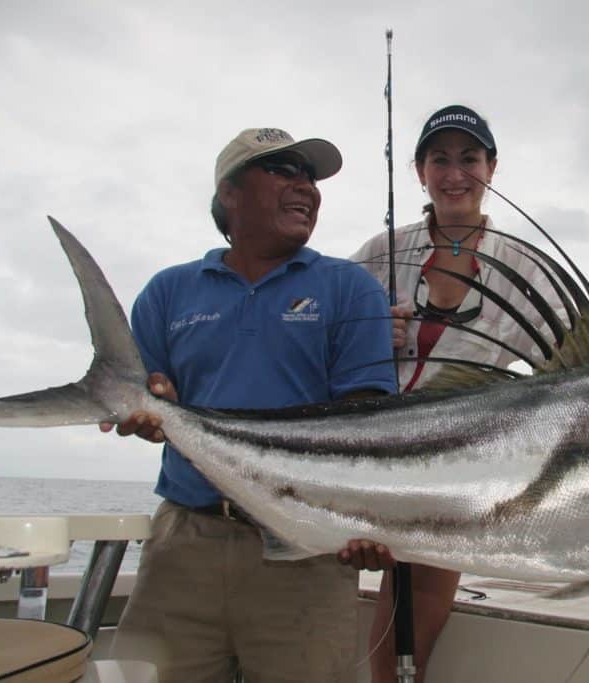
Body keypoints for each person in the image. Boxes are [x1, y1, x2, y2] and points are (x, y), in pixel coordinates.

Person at [339, 104, 589, 682]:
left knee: (408, 644)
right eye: (439, 159)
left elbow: (579, 347)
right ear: (419, 171)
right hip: (365, 445)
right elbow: (320, 324)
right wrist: (367, 329)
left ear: (492, 167)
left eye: (469, 159)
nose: (455, 173)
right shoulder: (380, 251)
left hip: (455, 463)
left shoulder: (521, 263)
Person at [103, 127, 398, 681]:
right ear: (230, 194)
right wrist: (143, 409)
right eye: (283, 170)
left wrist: (367, 518)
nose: (305, 187)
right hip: (183, 545)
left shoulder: (350, 288)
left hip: (305, 547)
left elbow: (367, 421)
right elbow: (143, 391)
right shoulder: (169, 291)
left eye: (310, 177)